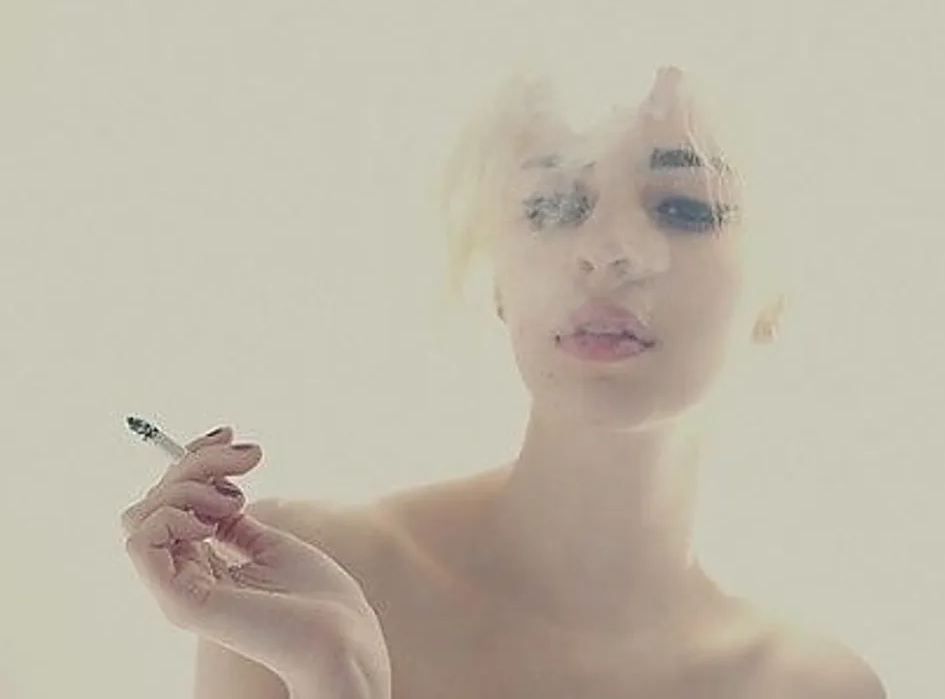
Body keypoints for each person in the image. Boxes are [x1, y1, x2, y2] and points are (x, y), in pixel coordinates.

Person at [121, 66, 887, 699]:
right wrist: (335, 676)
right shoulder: (301, 577)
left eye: (687, 207)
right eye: (553, 204)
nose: (607, 249)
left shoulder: (821, 687)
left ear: (778, 289)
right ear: (496, 276)